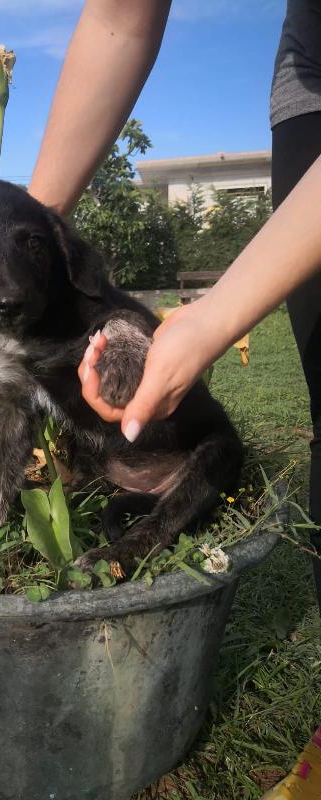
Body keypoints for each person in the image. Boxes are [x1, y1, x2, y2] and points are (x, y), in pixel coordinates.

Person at [28, 0, 321, 596]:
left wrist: (210, 320)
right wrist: (32, 228)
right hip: (309, 76)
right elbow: (119, 18)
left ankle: (147, 537)